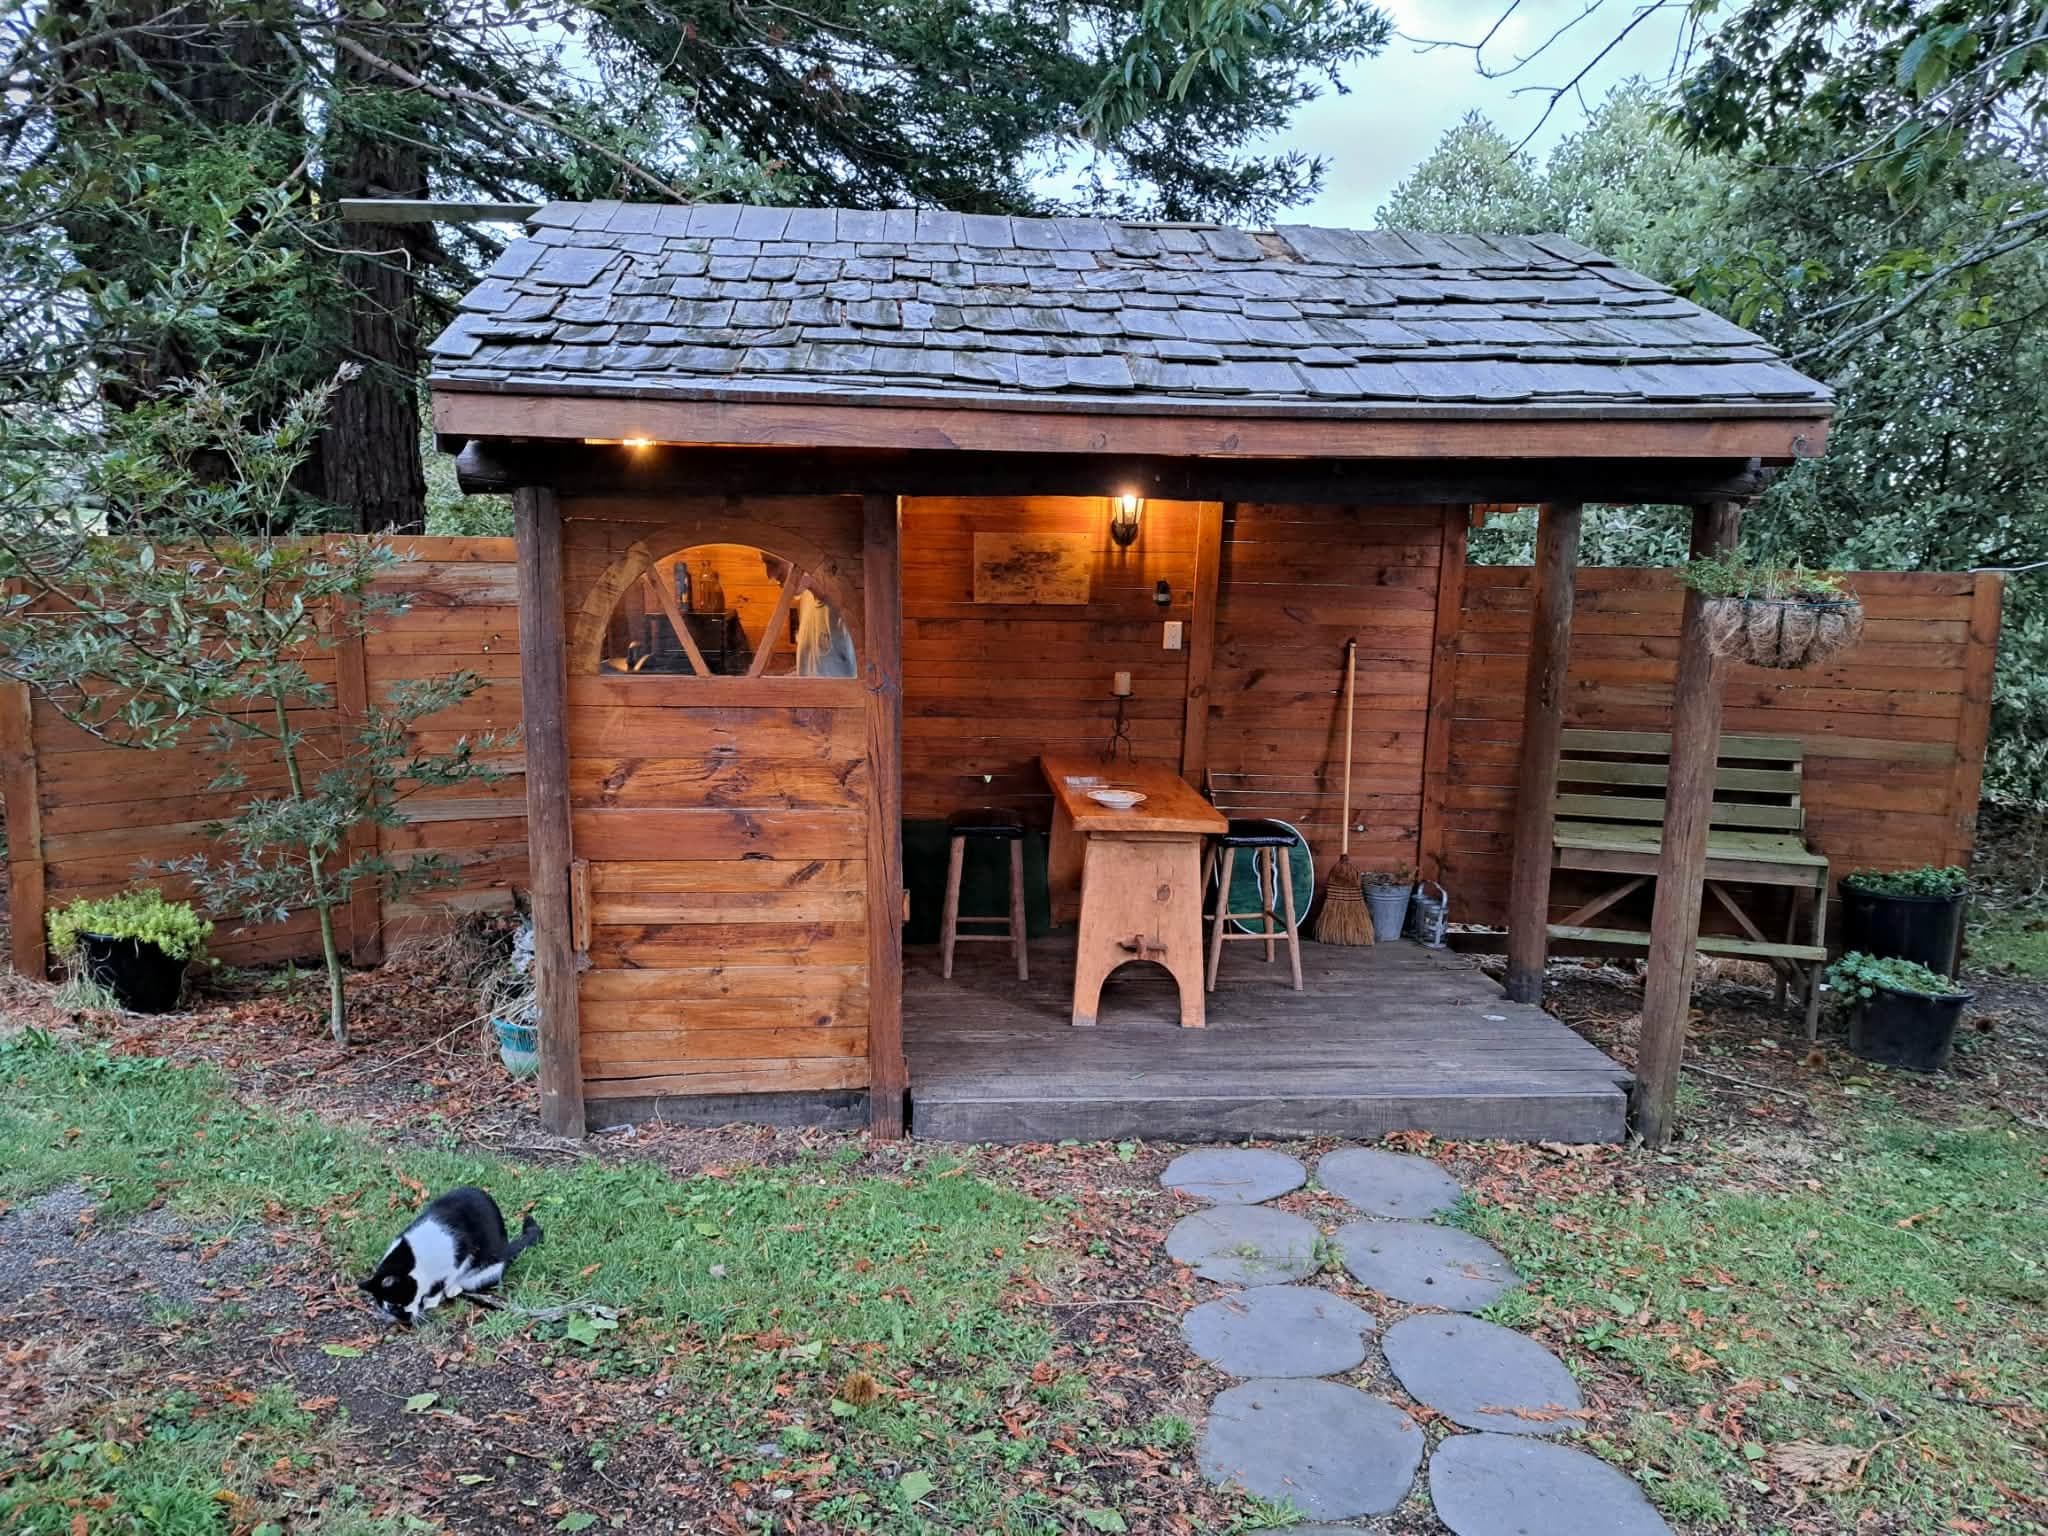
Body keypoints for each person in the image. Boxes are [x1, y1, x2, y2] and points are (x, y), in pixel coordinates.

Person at [760, 553, 856, 677]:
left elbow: (865, 685)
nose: (769, 575)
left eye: (773, 563)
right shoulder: (807, 598)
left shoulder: (846, 614)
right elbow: (817, 670)